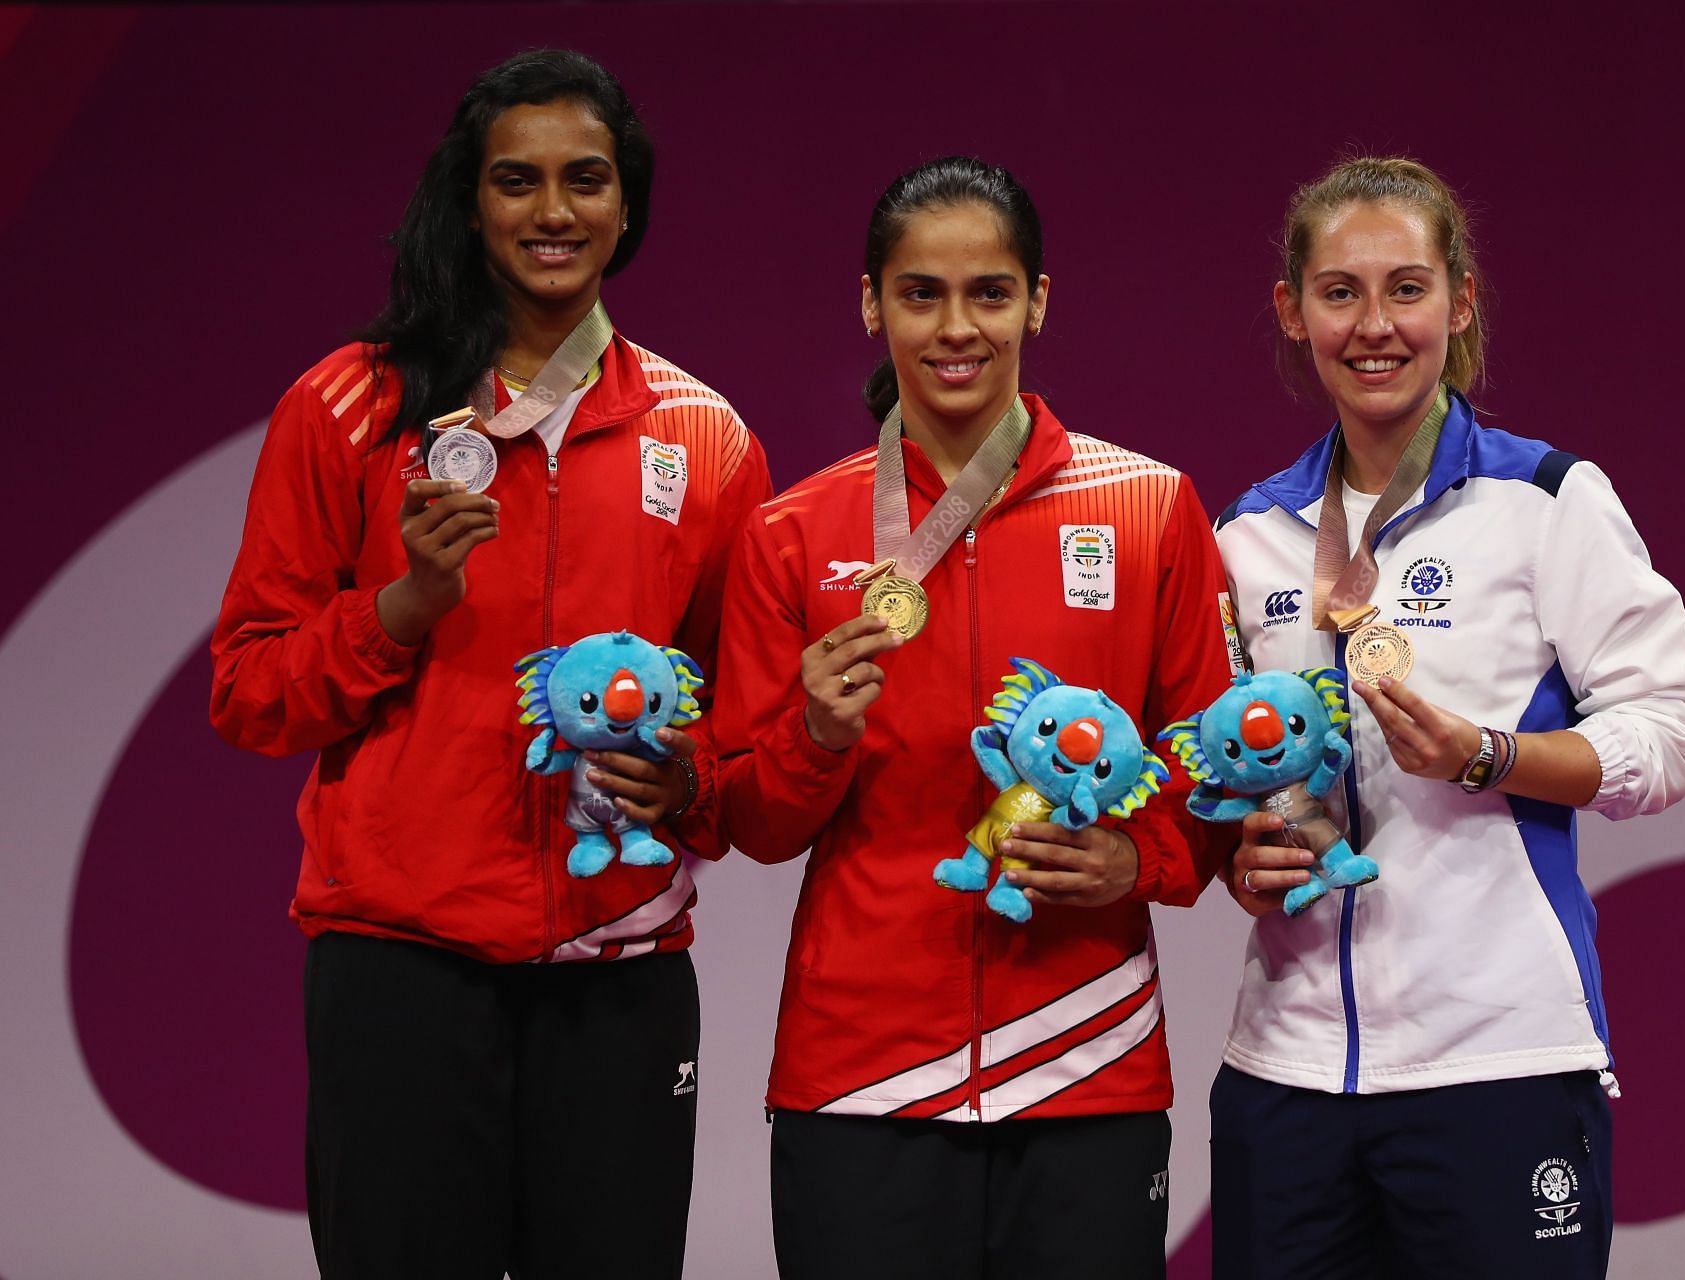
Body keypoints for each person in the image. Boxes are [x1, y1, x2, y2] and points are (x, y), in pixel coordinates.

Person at [209, 49, 770, 1279]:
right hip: (402, 968)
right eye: (517, 182)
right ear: (471, 202)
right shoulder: (353, 406)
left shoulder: (706, 437)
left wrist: (691, 786)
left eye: (585, 180)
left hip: (617, 978)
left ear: (628, 206)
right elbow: (248, 688)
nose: (553, 211)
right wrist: (400, 608)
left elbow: (740, 720)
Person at [713, 156, 1234, 1279]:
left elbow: (1212, 783)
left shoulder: (1148, 508)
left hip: (1085, 1056)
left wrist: (1127, 857)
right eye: (920, 293)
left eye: (990, 292)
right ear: (870, 302)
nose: (958, 328)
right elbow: (748, 818)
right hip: (861, 1071)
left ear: (1039, 300)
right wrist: (816, 735)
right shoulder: (794, 532)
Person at [1209, 155, 1685, 1278]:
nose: (1373, 325)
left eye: (1407, 288)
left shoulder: (1547, 502)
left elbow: (1666, 739)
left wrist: (1490, 755)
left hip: (1498, 1061)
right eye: (1338, 292)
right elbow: (1229, 773)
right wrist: (1239, 856)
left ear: (1460, 301)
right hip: (1285, 1072)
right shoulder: (1249, 534)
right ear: (1293, 312)